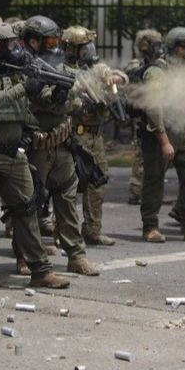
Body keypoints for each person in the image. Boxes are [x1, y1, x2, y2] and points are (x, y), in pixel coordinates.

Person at [0, 22, 70, 293]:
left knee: (28, 209)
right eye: (6, 44)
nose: (13, 48)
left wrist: (58, 93)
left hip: (15, 154)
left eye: (13, 43)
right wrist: (25, 88)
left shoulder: (16, 72)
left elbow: (39, 98)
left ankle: (40, 270)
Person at [20, 16, 99, 276]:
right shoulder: (22, 66)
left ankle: (76, 255)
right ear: (33, 40)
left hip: (61, 142)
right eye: (48, 40)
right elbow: (37, 99)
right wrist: (58, 96)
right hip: (36, 145)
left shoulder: (59, 65)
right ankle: (26, 256)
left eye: (55, 40)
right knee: (30, 201)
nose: (53, 45)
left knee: (67, 197)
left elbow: (73, 103)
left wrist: (71, 95)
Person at [136, 27, 185, 244]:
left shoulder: (183, 72)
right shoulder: (157, 72)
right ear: (176, 47)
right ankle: (150, 226)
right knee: (154, 181)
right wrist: (164, 141)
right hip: (160, 138)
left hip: (182, 135)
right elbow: (154, 108)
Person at [63, 25, 126, 247]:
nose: (89, 50)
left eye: (89, 46)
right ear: (72, 49)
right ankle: (63, 232)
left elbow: (116, 75)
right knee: (69, 185)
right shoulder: (63, 70)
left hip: (95, 136)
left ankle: (92, 230)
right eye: (84, 47)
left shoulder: (96, 69)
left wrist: (115, 78)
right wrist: (77, 100)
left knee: (98, 182)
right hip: (75, 135)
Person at [123, 29, 162, 206]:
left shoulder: (157, 64)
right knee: (140, 153)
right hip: (141, 114)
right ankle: (136, 191)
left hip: (151, 111)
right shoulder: (136, 65)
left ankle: (145, 189)